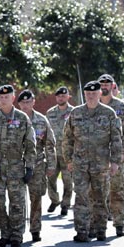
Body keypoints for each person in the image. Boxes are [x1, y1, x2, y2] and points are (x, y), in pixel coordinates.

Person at [61, 80, 122, 242]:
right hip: (80, 163)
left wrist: (115, 161)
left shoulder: (108, 113)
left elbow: (116, 139)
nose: (91, 96)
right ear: (84, 95)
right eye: (88, 94)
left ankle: (100, 229)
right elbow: (67, 138)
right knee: (81, 196)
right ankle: (82, 230)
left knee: (100, 196)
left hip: (101, 163)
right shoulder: (76, 113)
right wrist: (68, 159)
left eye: (94, 94)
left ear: (100, 94)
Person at [0, 84, 37, 247]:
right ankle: (5, 232)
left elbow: (30, 144)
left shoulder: (22, 118)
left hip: (16, 169)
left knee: (17, 205)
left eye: (6, 97)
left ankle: (16, 236)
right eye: (0, 97)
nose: (3, 99)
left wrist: (30, 167)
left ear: (13, 98)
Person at [16, 89, 56, 243]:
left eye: (28, 102)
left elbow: (50, 144)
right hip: (17, 165)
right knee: (18, 200)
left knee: (36, 198)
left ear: (33, 102)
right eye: (23, 103)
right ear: (19, 104)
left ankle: (35, 229)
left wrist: (51, 165)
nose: (25, 105)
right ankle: (17, 231)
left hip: (38, 165)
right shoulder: (14, 120)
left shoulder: (41, 120)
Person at [98, 74, 124, 237]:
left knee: (117, 190)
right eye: (102, 84)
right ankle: (99, 224)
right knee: (98, 192)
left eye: (107, 83)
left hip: (116, 156)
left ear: (113, 86)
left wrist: (123, 153)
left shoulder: (122, 107)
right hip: (97, 158)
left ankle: (119, 223)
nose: (104, 86)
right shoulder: (92, 106)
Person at [44, 86, 75, 216]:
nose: (61, 98)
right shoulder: (50, 113)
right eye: (58, 96)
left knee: (68, 180)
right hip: (52, 153)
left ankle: (65, 204)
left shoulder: (74, 112)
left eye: (63, 96)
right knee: (50, 178)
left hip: (68, 152)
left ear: (68, 97)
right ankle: (54, 200)